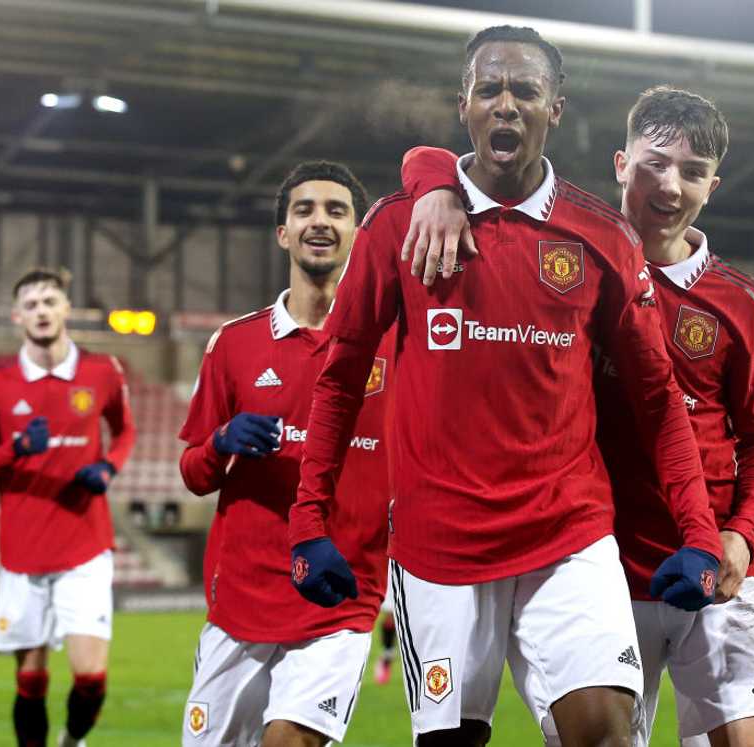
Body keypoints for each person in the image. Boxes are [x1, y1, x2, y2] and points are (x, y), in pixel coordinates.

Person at [290, 26, 722, 747]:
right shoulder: (398, 224)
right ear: (464, 105)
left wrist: (700, 532)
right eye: (490, 89)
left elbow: (657, 399)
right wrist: (310, 517)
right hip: (439, 546)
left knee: (610, 736)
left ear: (556, 109)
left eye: (526, 90)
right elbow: (339, 380)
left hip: (569, 534)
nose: (506, 104)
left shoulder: (602, 237)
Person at [400, 86, 754, 747]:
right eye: (654, 164)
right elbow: (468, 166)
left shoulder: (740, 301)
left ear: (713, 185)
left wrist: (741, 535)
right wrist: (433, 179)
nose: (670, 186)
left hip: (718, 569)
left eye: (692, 172)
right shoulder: (571, 257)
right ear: (620, 163)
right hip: (600, 569)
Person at [177, 160, 393, 746]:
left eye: (336, 211)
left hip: (338, 599)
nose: (319, 222)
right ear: (283, 233)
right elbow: (194, 474)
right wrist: (220, 444)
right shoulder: (234, 344)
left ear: (357, 234)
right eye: (304, 210)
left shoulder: (397, 345)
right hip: (240, 603)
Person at [0, 266, 136, 747]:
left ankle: (71, 741)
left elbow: (125, 430)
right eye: (32, 304)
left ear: (66, 309)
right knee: (31, 681)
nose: (41, 311)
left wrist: (108, 468)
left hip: (85, 546)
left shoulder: (102, 371)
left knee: (90, 677)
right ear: (17, 316)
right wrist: (16, 448)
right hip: (22, 553)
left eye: (50, 301)